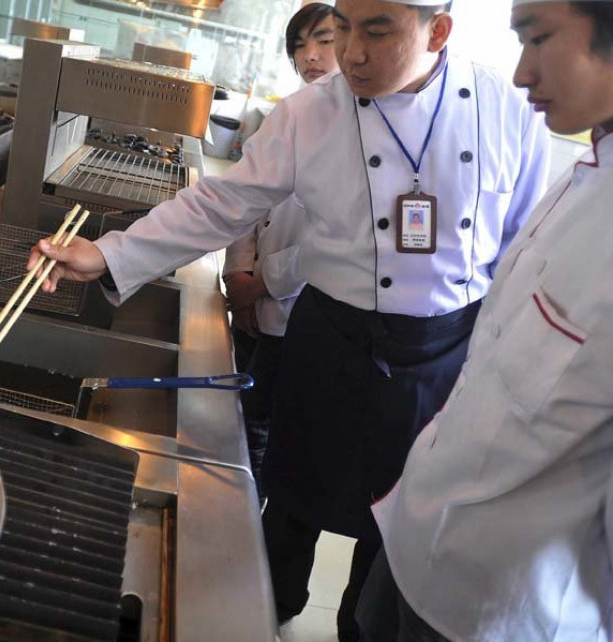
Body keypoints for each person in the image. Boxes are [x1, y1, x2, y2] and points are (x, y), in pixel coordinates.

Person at [28, 1, 551, 639]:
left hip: (444, 358)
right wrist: (108, 252)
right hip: (330, 339)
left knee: (397, 531)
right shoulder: (309, 112)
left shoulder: (510, 111)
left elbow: (521, 247)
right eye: (346, 27)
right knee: (291, 505)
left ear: (437, 30)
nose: (351, 51)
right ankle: (267, 613)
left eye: (377, 31)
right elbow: (223, 203)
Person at [356, 1, 613, 640]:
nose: (523, 73)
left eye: (540, 39)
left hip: (498, 607)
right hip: (416, 537)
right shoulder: (586, 173)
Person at [224, 0, 338, 506]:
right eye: (299, 46)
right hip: (251, 294)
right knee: (236, 417)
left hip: (295, 311)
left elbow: (331, 237)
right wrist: (238, 276)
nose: (310, 56)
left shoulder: (354, 132)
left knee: (262, 430)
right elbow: (243, 203)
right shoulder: (282, 115)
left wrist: (262, 284)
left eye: (323, 41)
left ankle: (242, 525)